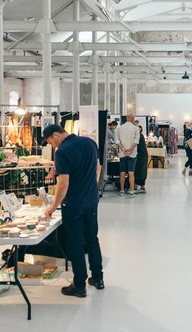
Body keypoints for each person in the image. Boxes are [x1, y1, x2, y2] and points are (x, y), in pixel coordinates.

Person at [43, 124, 104, 298]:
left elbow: (63, 183)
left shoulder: (62, 152)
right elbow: (97, 169)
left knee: (76, 242)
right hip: (91, 200)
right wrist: (91, 188)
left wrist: (53, 207)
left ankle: (79, 285)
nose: (53, 146)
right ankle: (98, 278)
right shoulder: (89, 143)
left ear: (56, 135)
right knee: (92, 239)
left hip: (74, 204)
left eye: (50, 142)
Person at [116, 114, 140, 198]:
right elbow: (136, 141)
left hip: (122, 154)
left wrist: (123, 149)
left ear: (126, 118)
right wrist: (129, 150)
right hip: (132, 154)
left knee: (122, 172)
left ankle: (122, 190)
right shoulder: (136, 128)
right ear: (133, 118)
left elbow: (117, 141)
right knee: (131, 173)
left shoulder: (119, 128)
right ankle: (131, 191)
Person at [134, 125, 148, 194]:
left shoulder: (139, 136)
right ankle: (138, 187)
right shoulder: (140, 135)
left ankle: (139, 187)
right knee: (140, 170)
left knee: (140, 170)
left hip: (141, 155)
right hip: (141, 155)